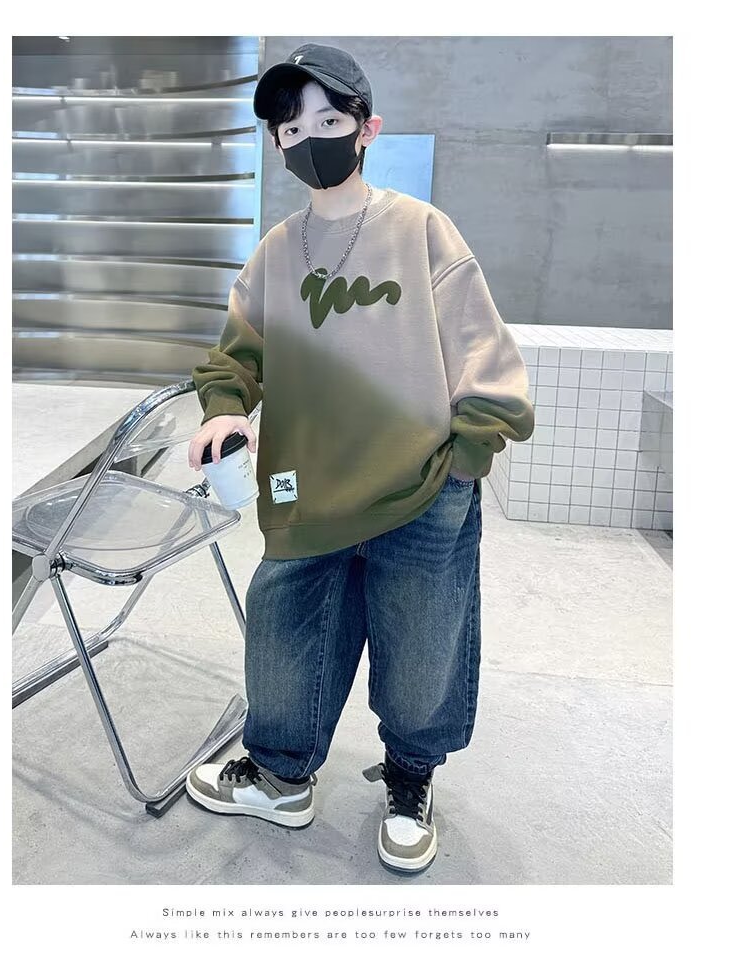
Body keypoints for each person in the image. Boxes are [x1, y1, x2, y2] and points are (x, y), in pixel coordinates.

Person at [184, 43, 535, 874]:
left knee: (421, 645)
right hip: (308, 488)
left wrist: (467, 456)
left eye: (328, 120)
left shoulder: (421, 230)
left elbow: (482, 351)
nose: (309, 138)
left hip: (423, 487)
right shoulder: (277, 250)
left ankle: (410, 780)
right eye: (290, 128)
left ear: (367, 129)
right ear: (277, 144)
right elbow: (236, 353)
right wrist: (225, 407)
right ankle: (280, 775)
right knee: (285, 635)